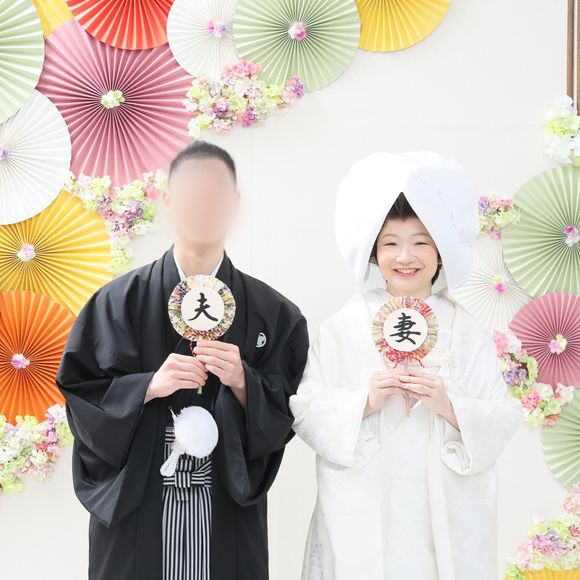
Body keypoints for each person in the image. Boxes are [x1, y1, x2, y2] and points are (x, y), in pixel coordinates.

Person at [56, 141, 309, 580]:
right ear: (169, 200)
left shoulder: (273, 312)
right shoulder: (117, 302)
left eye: (215, 194)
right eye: (192, 193)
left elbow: (292, 407)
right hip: (140, 500)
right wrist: (146, 387)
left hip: (225, 502)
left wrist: (244, 382)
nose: (203, 205)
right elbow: (81, 393)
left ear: (235, 202)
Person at [289, 151, 521, 580]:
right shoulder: (344, 326)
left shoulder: (465, 329)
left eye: (421, 242)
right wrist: (364, 402)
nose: (405, 256)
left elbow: (503, 415)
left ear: (441, 250)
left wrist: (449, 405)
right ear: (373, 253)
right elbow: (306, 409)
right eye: (391, 243)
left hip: (440, 507)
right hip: (365, 503)